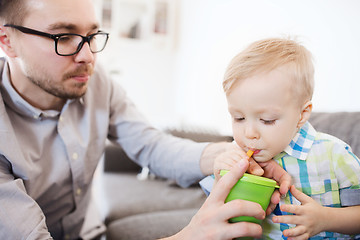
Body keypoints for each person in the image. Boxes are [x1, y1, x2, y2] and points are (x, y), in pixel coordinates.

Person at [0, 0, 291, 239]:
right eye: (63, 37)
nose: (88, 56)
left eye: (91, 36)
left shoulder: (97, 84)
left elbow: (151, 145)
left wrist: (225, 154)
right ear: (7, 41)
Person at [212, 37, 360, 239]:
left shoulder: (334, 154)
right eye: (239, 118)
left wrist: (326, 218)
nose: (249, 133)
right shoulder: (239, 156)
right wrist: (220, 175)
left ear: (302, 114)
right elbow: (218, 218)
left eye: (267, 120)